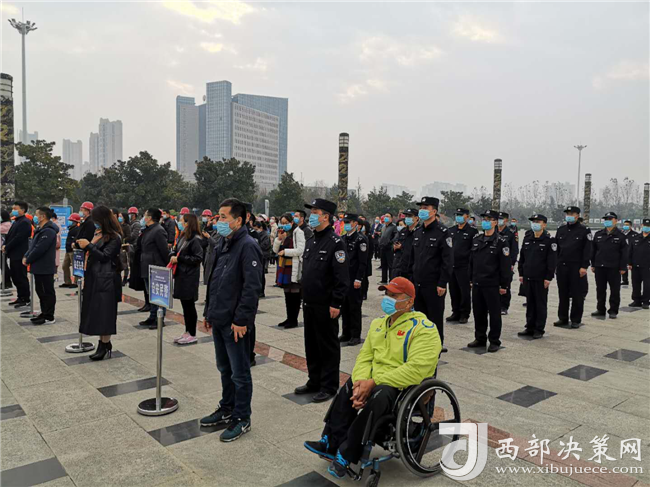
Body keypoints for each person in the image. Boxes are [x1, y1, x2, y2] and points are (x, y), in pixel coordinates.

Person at [304, 277, 441, 479]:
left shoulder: (424, 329)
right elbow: (365, 357)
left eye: (394, 296)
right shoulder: (378, 324)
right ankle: (330, 442)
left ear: (410, 301)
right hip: (373, 379)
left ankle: (347, 452)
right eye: (387, 294)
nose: (388, 299)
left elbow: (416, 369)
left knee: (380, 395)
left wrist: (374, 382)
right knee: (349, 386)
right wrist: (360, 383)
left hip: (400, 385)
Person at [200, 198, 263, 443]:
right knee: (224, 368)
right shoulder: (223, 243)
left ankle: (242, 417)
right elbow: (214, 281)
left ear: (239, 220)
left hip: (236, 323)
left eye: (224, 217)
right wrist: (209, 312)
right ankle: (227, 407)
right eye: (219, 216)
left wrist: (242, 320)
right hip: (220, 318)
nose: (219, 221)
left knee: (240, 373)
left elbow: (252, 287)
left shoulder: (248, 246)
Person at [295, 198, 349, 403]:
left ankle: (329, 385)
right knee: (311, 344)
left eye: (316, 212)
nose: (312, 216)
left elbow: (341, 277)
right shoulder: (311, 240)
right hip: (310, 302)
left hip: (326, 305)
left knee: (327, 346)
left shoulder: (336, 243)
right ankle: (314, 380)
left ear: (326, 216)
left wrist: (336, 303)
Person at [76, 206, 123, 359]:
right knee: (97, 312)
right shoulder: (98, 233)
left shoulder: (115, 237)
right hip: (94, 277)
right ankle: (103, 343)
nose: (94, 223)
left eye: (96, 220)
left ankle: (104, 344)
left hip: (106, 279)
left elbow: (105, 256)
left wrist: (89, 245)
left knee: (106, 313)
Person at [407, 197, 453, 346]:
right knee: (419, 318)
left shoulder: (443, 232)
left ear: (434, 211)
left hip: (433, 285)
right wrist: (410, 280)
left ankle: (436, 347)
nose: (422, 210)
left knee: (434, 318)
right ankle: (421, 346)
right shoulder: (418, 232)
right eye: (421, 207)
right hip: (418, 283)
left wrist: (442, 283)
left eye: (426, 208)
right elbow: (412, 259)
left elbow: (447, 260)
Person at [467, 210, 511, 352]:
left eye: (488, 219)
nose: (485, 221)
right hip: (477, 283)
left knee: (494, 314)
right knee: (478, 313)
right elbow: (471, 262)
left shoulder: (501, 242)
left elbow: (505, 266)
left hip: (492, 284)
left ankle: (494, 340)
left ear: (495, 222)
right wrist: (470, 279)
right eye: (484, 219)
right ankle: (480, 338)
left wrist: (504, 285)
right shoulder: (477, 239)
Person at [517, 214, 556, 339]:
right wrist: (521, 273)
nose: (535, 224)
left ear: (544, 224)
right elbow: (522, 257)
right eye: (533, 221)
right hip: (528, 276)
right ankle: (529, 326)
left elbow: (552, 261)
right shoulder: (527, 238)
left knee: (540, 304)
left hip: (541, 278)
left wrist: (548, 277)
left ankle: (539, 328)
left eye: (538, 222)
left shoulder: (549, 240)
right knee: (530, 303)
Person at [554, 206, 591, 328]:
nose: (569, 216)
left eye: (572, 214)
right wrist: (555, 264)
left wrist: (584, 266)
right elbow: (556, 248)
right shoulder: (561, 230)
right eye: (567, 213)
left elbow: (587, 249)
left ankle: (576, 319)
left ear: (577, 215)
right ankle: (563, 318)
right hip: (562, 266)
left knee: (577, 294)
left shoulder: (584, 230)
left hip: (576, 267)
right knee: (563, 293)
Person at [171, 213, 204, 345]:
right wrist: (173, 255)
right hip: (181, 275)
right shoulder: (183, 236)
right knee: (185, 306)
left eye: (181, 221)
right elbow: (177, 250)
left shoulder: (196, 239)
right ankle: (187, 331)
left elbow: (197, 258)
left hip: (189, 276)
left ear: (187, 223)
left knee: (189, 306)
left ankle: (192, 333)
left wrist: (179, 259)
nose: (179, 223)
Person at [23, 207, 59, 325]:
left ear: (43, 216)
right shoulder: (40, 229)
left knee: (47, 291)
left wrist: (29, 259)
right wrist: (26, 255)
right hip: (38, 266)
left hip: (45, 266)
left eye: (37, 215)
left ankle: (49, 316)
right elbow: (33, 246)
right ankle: (44, 312)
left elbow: (40, 248)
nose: (35, 217)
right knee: (40, 290)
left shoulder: (49, 231)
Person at [138, 209, 171, 329]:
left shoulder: (158, 230)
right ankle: (152, 317)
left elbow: (164, 250)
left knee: (158, 294)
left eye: (145, 215)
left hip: (156, 266)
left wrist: (166, 266)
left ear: (150, 217)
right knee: (151, 294)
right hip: (146, 265)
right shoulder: (148, 229)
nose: (143, 217)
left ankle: (159, 319)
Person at [591, 212, 628, 319]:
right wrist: (593, 264)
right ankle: (600, 309)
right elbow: (593, 251)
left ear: (616, 221)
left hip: (614, 267)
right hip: (600, 267)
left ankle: (613, 310)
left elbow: (624, 253)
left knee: (615, 290)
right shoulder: (598, 234)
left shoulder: (621, 235)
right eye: (606, 219)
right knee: (600, 289)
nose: (607, 221)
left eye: (610, 219)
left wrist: (623, 267)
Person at [339, 214, 368, 346]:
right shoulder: (343, 238)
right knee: (344, 306)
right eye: (345, 222)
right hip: (345, 278)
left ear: (356, 223)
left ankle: (355, 335)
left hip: (355, 277)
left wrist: (359, 279)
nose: (346, 224)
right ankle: (346, 332)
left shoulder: (361, 239)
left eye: (349, 222)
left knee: (354, 307)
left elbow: (363, 262)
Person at [273, 212, 306, 329]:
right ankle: (289, 318)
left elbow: (300, 250)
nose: (284, 225)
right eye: (282, 223)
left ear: (292, 222)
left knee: (295, 295)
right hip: (284, 266)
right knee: (287, 294)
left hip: (294, 266)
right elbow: (275, 250)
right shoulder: (282, 233)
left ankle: (293, 319)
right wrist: (278, 239)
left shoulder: (298, 232)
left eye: (286, 223)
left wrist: (286, 252)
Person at [447, 208, 478, 324]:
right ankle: (455, 312)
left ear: (467, 217)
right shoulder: (451, 230)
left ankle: (464, 314)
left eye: (461, 215)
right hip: (452, 265)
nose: (458, 217)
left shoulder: (472, 232)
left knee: (464, 291)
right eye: (457, 214)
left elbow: (473, 250)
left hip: (464, 266)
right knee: (453, 290)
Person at [4, 201, 32, 308]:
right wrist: (5, 245)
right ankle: (20, 297)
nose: (13, 211)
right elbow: (10, 236)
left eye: (15, 209)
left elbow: (18, 238)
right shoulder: (16, 221)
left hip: (20, 254)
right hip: (14, 254)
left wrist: (7, 246)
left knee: (21, 277)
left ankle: (25, 298)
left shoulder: (25, 222)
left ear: (23, 210)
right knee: (15, 276)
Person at [497, 212, 518, 315]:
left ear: (506, 220)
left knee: (505, 285)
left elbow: (514, 249)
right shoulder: (493, 230)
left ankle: (504, 306)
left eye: (501, 218)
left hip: (506, 263)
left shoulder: (511, 233)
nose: (499, 220)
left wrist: (512, 263)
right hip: (494, 263)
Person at [628, 218, 650, 309]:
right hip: (635, 265)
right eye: (645, 225)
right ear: (642, 226)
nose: (646, 227)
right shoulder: (636, 237)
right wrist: (629, 263)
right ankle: (636, 300)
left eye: (648, 226)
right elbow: (630, 251)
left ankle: (646, 301)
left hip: (647, 266)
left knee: (647, 285)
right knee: (635, 283)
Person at [391, 209, 418, 280]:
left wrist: (402, 247)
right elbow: (396, 244)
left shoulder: (419, 232)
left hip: (412, 268)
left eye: (410, 216)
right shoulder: (403, 231)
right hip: (400, 265)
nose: (407, 218)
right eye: (406, 216)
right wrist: (395, 247)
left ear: (416, 218)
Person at [60, 213, 81, 288]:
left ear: (75, 222)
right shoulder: (71, 229)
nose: (69, 222)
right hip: (68, 250)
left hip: (73, 250)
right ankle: (67, 282)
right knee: (64, 266)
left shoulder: (77, 229)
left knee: (75, 267)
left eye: (71, 221)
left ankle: (76, 282)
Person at [378, 214, 397, 284]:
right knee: (383, 264)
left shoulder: (394, 227)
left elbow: (396, 236)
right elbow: (381, 236)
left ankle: (391, 280)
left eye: (388, 216)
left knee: (390, 265)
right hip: (382, 247)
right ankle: (384, 280)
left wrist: (390, 242)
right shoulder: (383, 227)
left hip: (389, 248)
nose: (386, 218)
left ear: (391, 218)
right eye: (385, 216)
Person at [115, 211, 132, 285]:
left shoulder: (127, 226)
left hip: (124, 246)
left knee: (124, 262)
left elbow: (129, 236)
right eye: (119, 216)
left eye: (121, 216)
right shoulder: (117, 225)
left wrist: (123, 240)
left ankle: (125, 278)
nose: (119, 218)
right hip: (117, 245)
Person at [621, 219, 637, 286]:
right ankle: (625, 280)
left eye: (627, 225)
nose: (625, 226)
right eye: (624, 225)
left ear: (630, 226)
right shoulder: (621, 233)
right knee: (624, 267)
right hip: (623, 253)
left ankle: (635, 281)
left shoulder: (635, 234)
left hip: (632, 253)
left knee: (633, 268)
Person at [0, 210, 12, 290]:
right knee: (3, 265)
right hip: (2, 247)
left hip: (3, 248)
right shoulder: (4, 224)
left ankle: (6, 282)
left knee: (3, 265)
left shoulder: (6, 225)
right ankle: (6, 281)